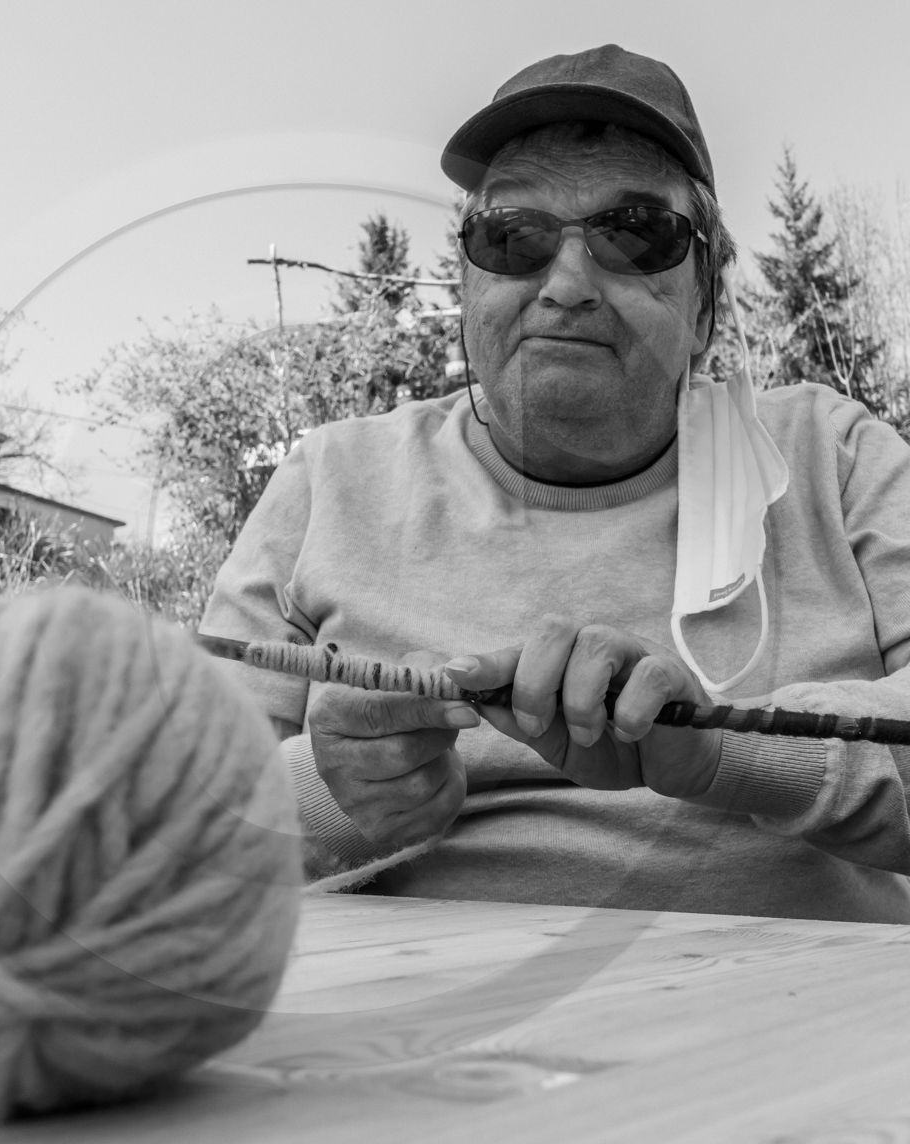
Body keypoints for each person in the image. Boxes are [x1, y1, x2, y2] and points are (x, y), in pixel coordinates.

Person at [198, 45, 910, 922]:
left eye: (635, 232)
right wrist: (329, 793)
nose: (569, 284)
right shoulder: (331, 480)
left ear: (706, 301)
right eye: (513, 238)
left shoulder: (833, 458)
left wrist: (722, 751)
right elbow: (169, 835)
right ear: (465, 286)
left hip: (806, 1027)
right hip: (399, 1025)